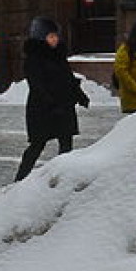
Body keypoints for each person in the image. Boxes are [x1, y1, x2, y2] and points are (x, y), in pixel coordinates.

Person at [14, 16, 89, 181]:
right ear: (41, 37)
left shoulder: (58, 55)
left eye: (56, 36)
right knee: (37, 145)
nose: (55, 39)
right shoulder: (34, 59)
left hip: (64, 106)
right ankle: (20, 178)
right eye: (51, 36)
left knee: (66, 143)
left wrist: (80, 95)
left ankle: (63, 177)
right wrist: (51, 104)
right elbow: (37, 85)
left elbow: (68, 78)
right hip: (42, 109)